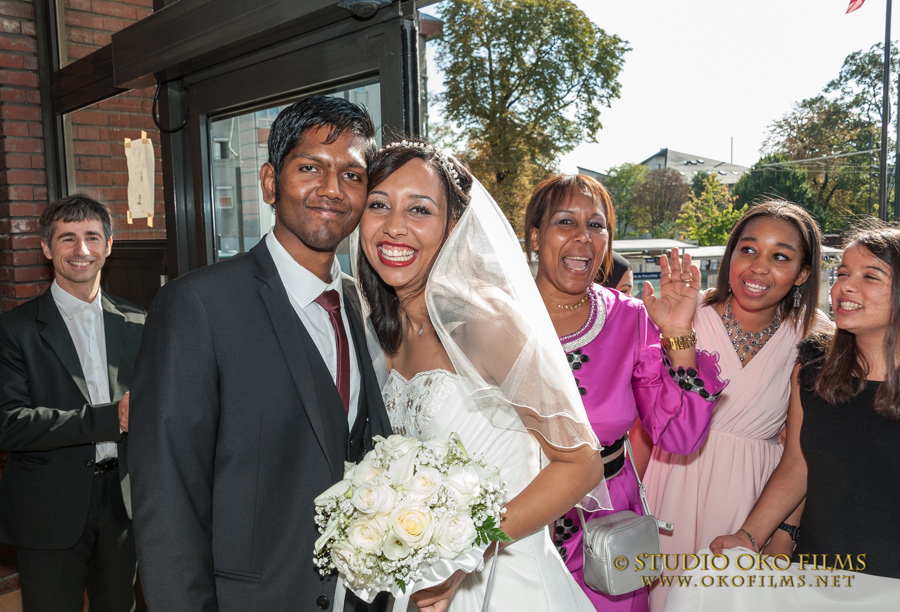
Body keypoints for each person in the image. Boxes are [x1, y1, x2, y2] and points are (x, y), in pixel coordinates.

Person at [129, 96, 393, 612]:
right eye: (310, 167)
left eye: (352, 175)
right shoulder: (198, 305)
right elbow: (168, 497)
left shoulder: (361, 305)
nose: (331, 190)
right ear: (271, 182)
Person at [357, 140, 609, 612]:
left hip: (506, 579)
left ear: (453, 225)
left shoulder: (485, 320)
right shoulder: (382, 328)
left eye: (419, 209)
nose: (395, 226)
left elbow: (581, 464)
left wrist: (464, 553)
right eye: (378, 205)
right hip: (423, 584)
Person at [521, 174, 728, 612]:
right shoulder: (497, 314)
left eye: (596, 226)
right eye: (565, 222)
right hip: (516, 517)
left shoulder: (628, 318)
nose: (583, 238)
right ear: (535, 236)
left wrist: (676, 332)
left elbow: (679, 437)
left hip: (605, 530)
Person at [666, 225, 900, 611]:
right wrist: (749, 537)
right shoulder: (812, 368)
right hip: (816, 575)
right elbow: (796, 465)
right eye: (842, 273)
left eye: (869, 276)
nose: (844, 287)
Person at [642, 200, 832, 611]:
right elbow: (652, 421)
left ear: (802, 272)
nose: (758, 267)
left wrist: (784, 530)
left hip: (754, 498)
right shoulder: (686, 314)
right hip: (671, 482)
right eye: (748, 250)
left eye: (780, 256)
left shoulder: (815, 337)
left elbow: (806, 452)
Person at [0, 195, 145, 611]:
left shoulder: (140, 322)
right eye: (68, 239)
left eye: (92, 238)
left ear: (109, 245)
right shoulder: (14, 331)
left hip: (124, 503)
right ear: (47, 248)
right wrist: (110, 419)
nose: (81, 251)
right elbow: (9, 423)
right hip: (49, 507)